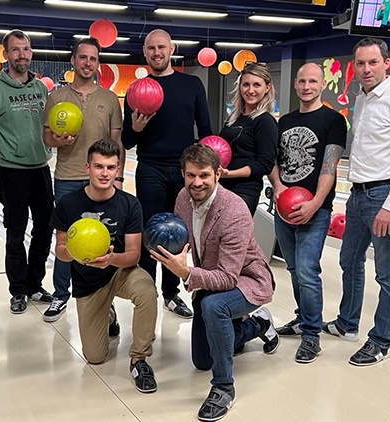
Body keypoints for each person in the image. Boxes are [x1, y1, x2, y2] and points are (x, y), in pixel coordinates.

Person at [152, 144, 279, 421]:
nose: (197, 183)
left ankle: (223, 388)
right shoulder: (183, 198)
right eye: (191, 175)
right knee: (202, 360)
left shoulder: (234, 211)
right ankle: (258, 325)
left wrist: (186, 273)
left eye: (204, 175)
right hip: (211, 277)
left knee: (213, 306)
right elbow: (184, 241)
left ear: (218, 174)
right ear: (183, 175)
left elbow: (228, 277)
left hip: (246, 279)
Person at [324, 37, 390, 366]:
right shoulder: (362, 99)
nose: (366, 69)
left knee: (388, 273)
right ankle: (347, 324)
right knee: (349, 262)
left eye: (373, 63)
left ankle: (380, 340)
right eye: (361, 64)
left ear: (386, 62)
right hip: (359, 194)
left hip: (384, 195)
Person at [51, 139, 159, 393]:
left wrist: (111, 259)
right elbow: (59, 250)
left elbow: (133, 255)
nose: (105, 173)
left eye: (111, 167)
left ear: (118, 169)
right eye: (99, 166)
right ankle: (107, 314)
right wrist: (75, 255)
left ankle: (140, 358)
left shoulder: (130, 204)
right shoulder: (68, 204)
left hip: (121, 272)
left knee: (146, 290)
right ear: (87, 167)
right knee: (95, 357)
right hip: (88, 282)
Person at [122, 28, 212, 319]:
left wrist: (207, 171)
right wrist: (136, 128)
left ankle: (171, 293)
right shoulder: (137, 91)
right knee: (151, 231)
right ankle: (147, 290)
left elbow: (206, 131)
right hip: (150, 168)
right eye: (151, 49)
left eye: (161, 47)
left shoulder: (192, 84)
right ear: (145, 52)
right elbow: (126, 141)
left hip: (184, 170)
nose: (157, 53)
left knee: (178, 233)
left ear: (171, 49)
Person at [268, 63, 347, 364]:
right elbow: (273, 160)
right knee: (292, 269)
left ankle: (312, 335)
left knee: (307, 270)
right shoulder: (284, 121)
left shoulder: (333, 120)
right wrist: (277, 187)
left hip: (316, 209)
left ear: (322, 84)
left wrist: (315, 204)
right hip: (284, 206)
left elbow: (330, 167)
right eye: (302, 81)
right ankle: (303, 319)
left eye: (312, 81)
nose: (306, 86)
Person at [42, 37, 123, 323]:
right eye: (83, 57)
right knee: (65, 240)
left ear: (97, 63)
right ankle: (60, 295)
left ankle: (103, 297)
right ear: (73, 61)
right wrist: (58, 139)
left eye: (93, 58)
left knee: (102, 241)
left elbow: (116, 141)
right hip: (67, 176)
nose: (88, 63)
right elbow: (47, 137)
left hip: (101, 181)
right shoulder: (57, 98)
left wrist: (119, 178)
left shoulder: (110, 99)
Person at [0, 29, 55, 314]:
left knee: (44, 230)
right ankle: (18, 290)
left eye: (25, 49)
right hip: (12, 172)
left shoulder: (40, 88)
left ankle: (35, 284)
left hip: (40, 168)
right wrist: (1, 159)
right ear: (6, 54)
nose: (21, 55)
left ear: (30, 52)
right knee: (15, 231)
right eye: (15, 50)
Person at [218, 62, 278, 216]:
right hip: (222, 187)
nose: (250, 90)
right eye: (246, 84)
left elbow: (265, 164)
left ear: (267, 87)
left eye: (256, 85)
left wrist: (229, 174)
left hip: (244, 192)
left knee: (233, 239)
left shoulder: (265, 121)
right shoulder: (234, 118)